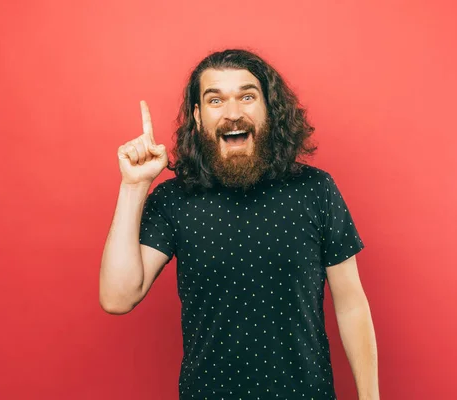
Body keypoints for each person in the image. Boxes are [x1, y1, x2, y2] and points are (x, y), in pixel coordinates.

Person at [100, 49, 379, 400]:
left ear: (268, 109)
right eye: (215, 100)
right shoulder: (174, 199)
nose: (233, 114)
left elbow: (352, 303)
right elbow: (117, 297)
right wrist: (134, 186)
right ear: (199, 117)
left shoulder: (316, 190)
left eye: (247, 96)